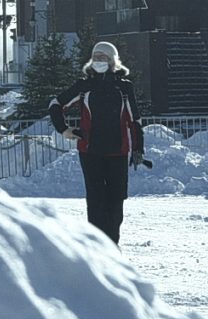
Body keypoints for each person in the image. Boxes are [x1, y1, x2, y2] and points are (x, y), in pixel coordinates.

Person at [46, 43, 146, 244]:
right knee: (96, 202)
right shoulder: (84, 86)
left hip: (118, 152)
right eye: (96, 57)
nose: (99, 61)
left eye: (104, 57)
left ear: (113, 61)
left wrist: (138, 148)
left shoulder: (124, 87)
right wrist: (64, 130)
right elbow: (55, 105)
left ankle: (112, 246)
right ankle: (97, 249)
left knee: (116, 203)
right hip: (90, 152)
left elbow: (135, 120)